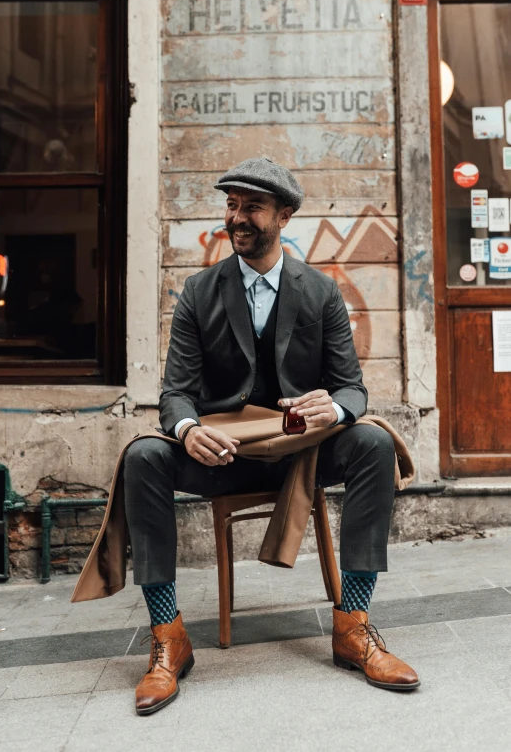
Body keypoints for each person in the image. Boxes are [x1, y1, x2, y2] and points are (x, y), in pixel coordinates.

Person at [124, 157, 420, 715]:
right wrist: (188, 431)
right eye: (232, 206)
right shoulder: (198, 292)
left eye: (251, 207)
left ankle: (353, 626)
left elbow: (353, 390)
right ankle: (169, 637)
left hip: (301, 455)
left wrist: (329, 410)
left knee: (375, 443)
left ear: (284, 215)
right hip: (225, 456)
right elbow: (174, 394)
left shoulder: (322, 293)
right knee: (142, 457)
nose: (237, 218)